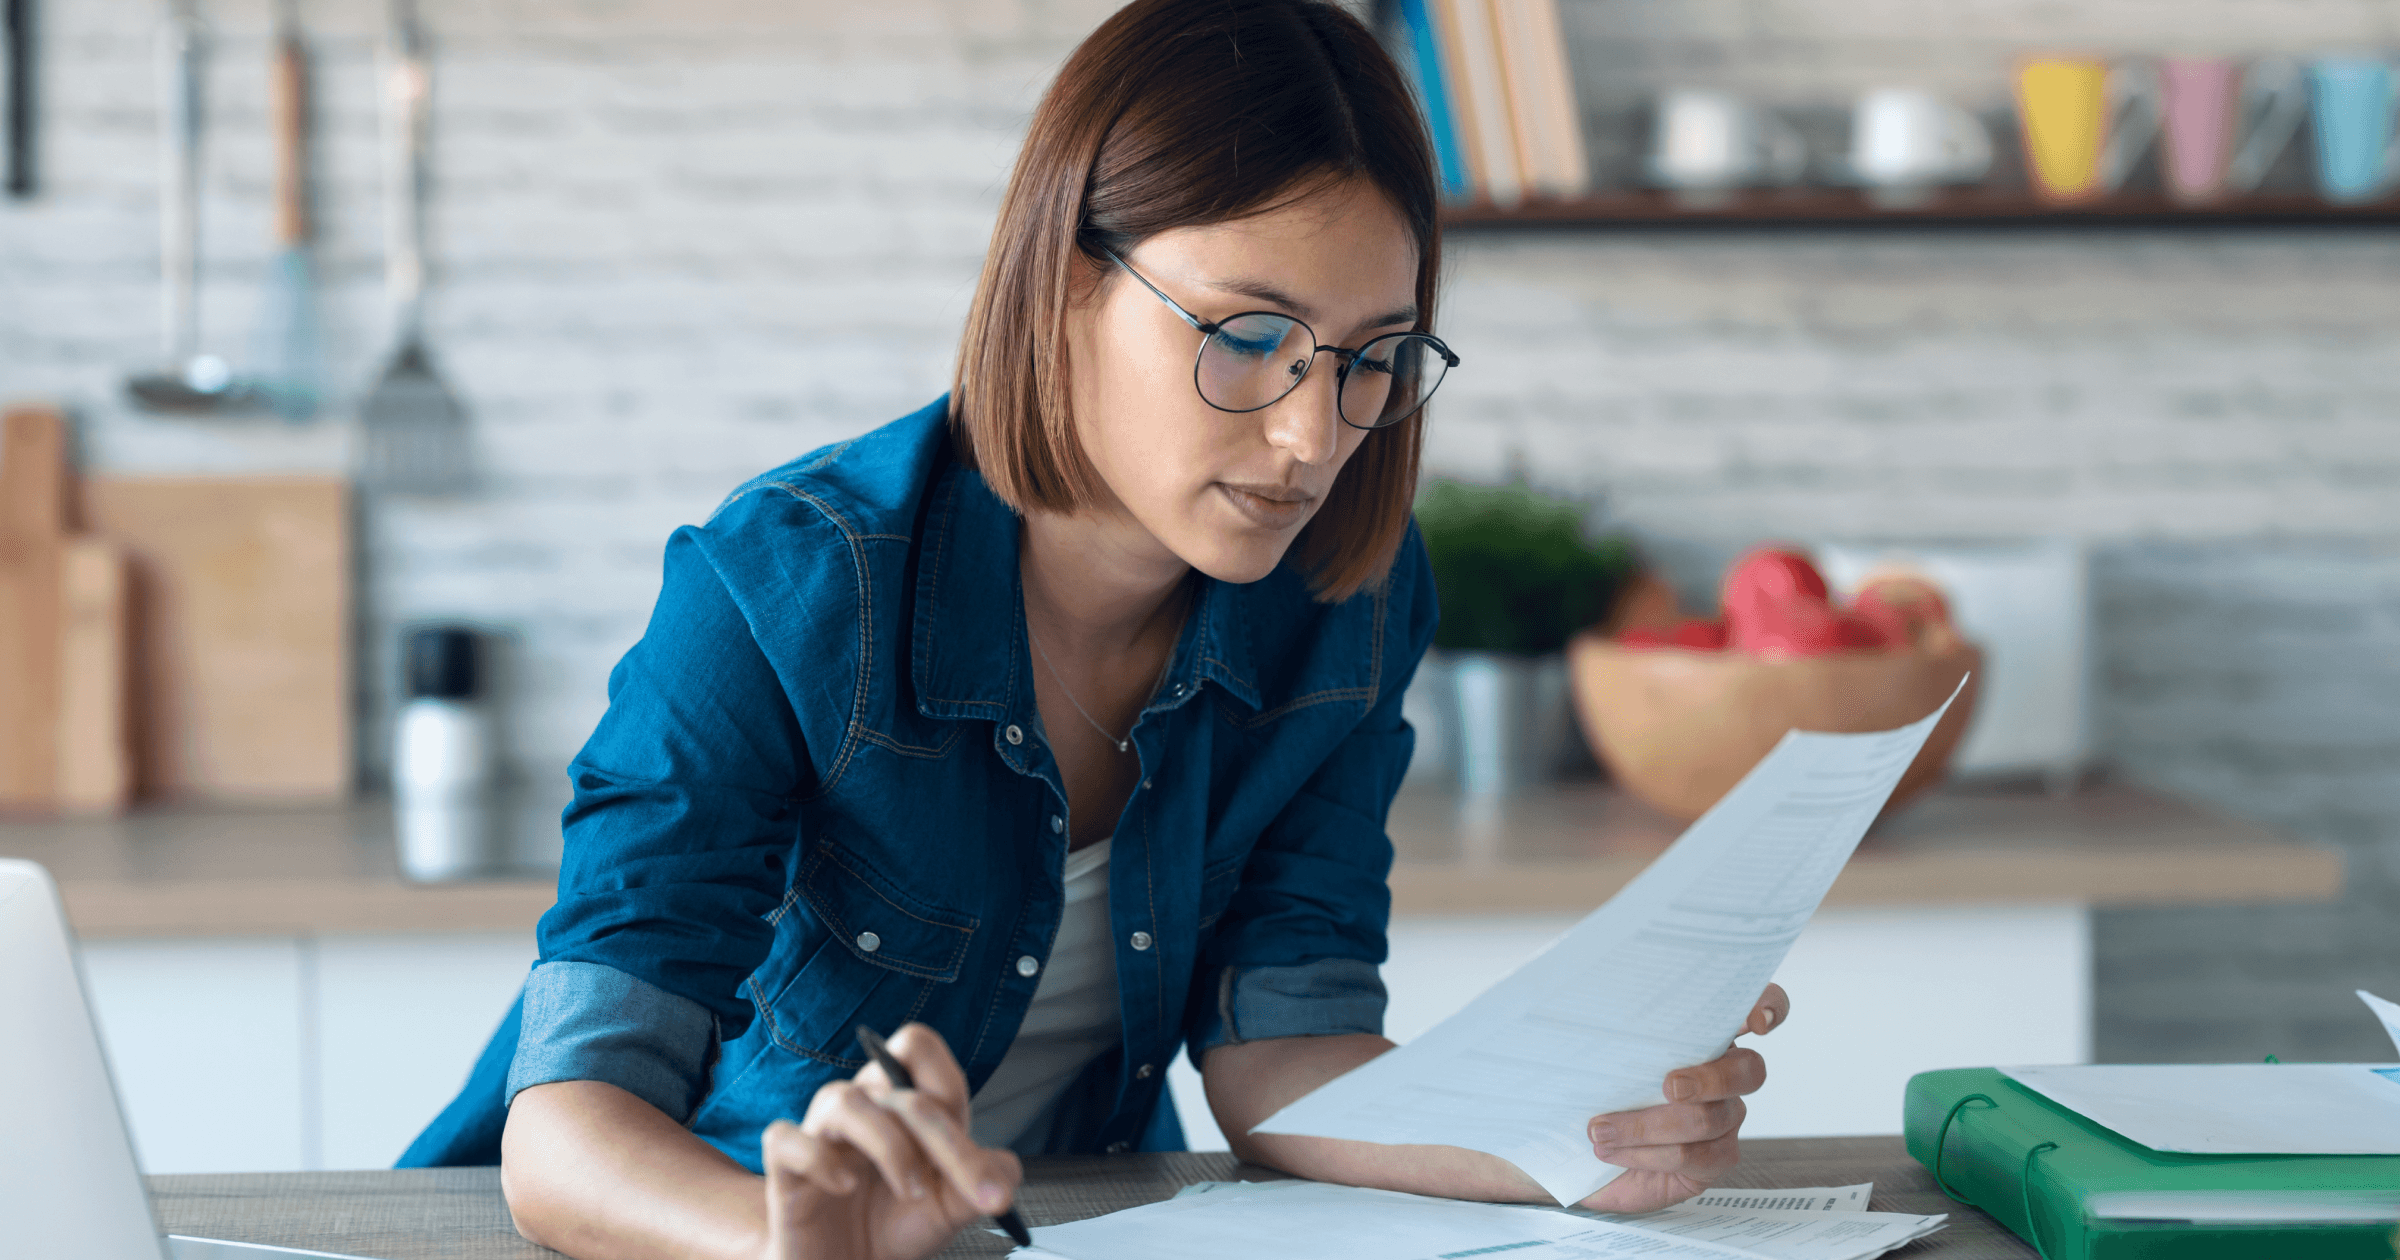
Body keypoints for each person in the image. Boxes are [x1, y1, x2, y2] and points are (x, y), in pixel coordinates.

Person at [401, 2, 1789, 1257]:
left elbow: (1278, 1057)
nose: (1316, 436)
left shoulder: (1347, 603)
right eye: (1250, 335)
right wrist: (789, 1244)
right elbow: (566, 1135)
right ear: (1068, 283)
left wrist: (1564, 1144)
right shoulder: (785, 586)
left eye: (1375, 358)